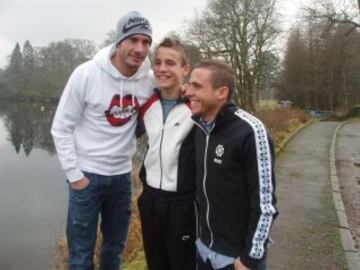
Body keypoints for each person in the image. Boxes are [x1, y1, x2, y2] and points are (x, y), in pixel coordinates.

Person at [51, 11, 155, 270]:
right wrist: (75, 176)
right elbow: (61, 128)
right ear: (119, 41)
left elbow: (171, 95)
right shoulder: (85, 74)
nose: (139, 49)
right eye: (133, 40)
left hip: (121, 178)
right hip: (87, 176)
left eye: (146, 42)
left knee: (114, 251)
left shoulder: (148, 80)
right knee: (80, 254)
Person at [185, 59, 278, 270]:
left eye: (197, 86)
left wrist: (250, 259)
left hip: (235, 260)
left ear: (221, 92)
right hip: (203, 251)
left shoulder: (251, 131)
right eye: (189, 84)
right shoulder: (198, 127)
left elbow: (265, 204)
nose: (188, 91)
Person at [137, 37, 196, 270]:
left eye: (170, 63)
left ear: (185, 69)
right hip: (150, 199)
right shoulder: (146, 103)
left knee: (182, 264)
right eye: (158, 62)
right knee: (156, 263)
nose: (162, 69)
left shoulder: (197, 106)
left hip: (183, 203)